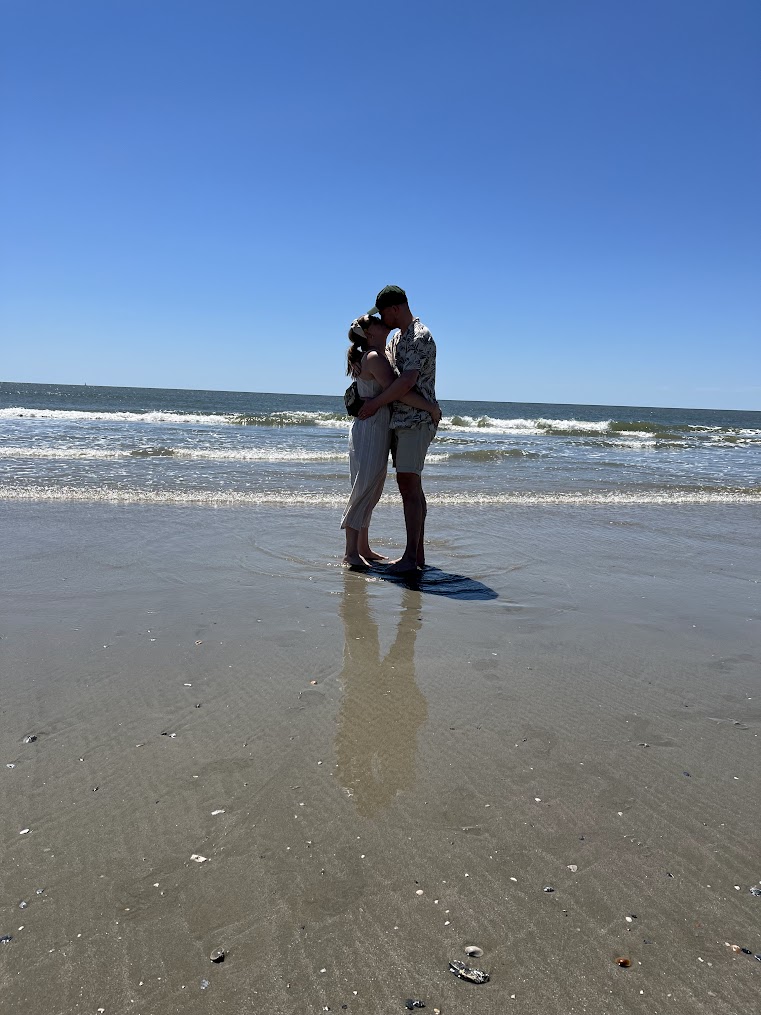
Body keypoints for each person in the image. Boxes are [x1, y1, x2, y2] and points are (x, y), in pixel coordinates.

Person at [341, 314, 440, 567]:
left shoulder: (378, 353)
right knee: (364, 488)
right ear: (369, 334)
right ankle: (351, 552)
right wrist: (430, 407)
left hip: (372, 427)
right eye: (373, 320)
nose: (380, 320)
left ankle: (363, 547)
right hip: (372, 428)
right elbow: (401, 391)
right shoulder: (374, 357)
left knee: (370, 487)